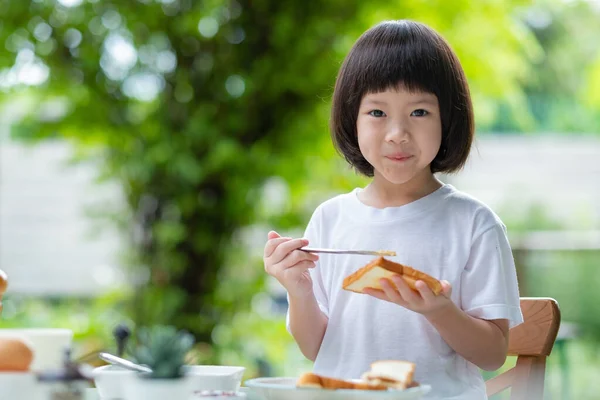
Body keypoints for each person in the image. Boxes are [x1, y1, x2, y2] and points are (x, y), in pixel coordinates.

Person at [263, 19, 523, 400]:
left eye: (419, 112)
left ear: (448, 119)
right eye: (377, 113)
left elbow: (492, 355)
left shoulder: (474, 224)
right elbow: (316, 348)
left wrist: (440, 311)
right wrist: (298, 291)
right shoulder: (330, 218)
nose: (397, 133)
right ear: (351, 119)